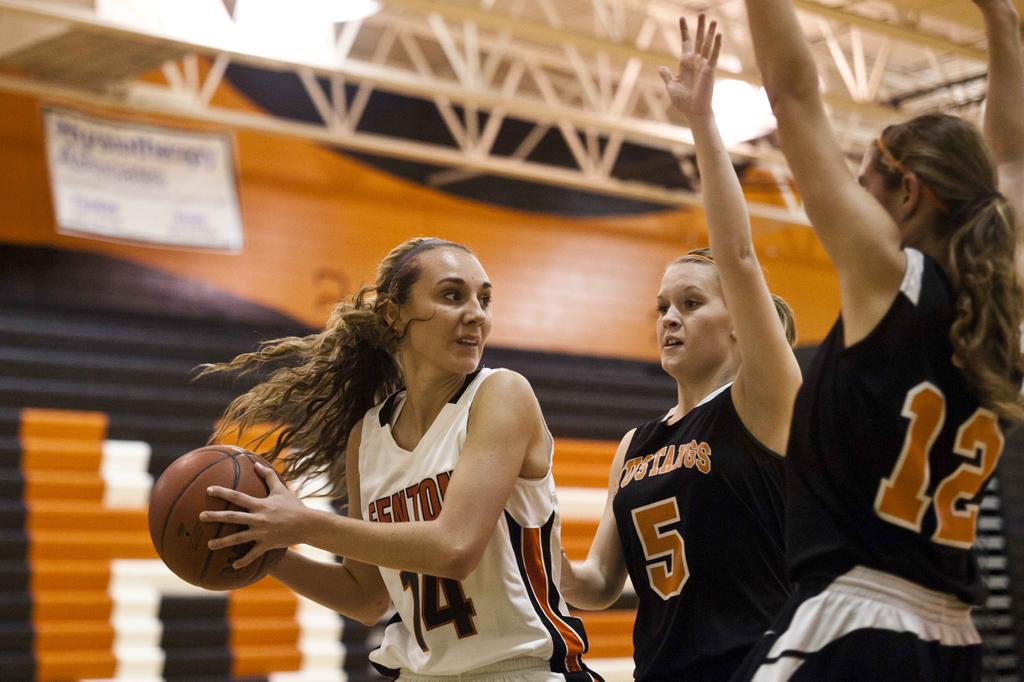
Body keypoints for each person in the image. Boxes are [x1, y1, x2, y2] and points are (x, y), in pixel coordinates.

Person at [734, 0, 1024, 679]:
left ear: (909, 193)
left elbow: (793, 96)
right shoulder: (1005, 308)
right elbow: (1010, 158)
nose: (854, 198)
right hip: (954, 641)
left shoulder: (891, 278)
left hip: (853, 619)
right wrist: (1004, 24)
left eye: (864, 184)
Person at [197, 237, 603, 681]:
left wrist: (302, 526)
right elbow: (366, 599)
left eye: (484, 299)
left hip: (519, 669)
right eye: (452, 295)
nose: (476, 314)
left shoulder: (501, 394)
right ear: (395, 314)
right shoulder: (367, 437)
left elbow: (454, 548)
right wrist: (265, 549)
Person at [558, 15, 802, 681]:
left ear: (737, 326)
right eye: (662, 305)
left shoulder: (763, 403)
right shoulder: (633, 447)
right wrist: (530, 537)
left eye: (691, 303)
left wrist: (702, 124)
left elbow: (742, 259)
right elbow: (599, 585)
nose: (669, 317)